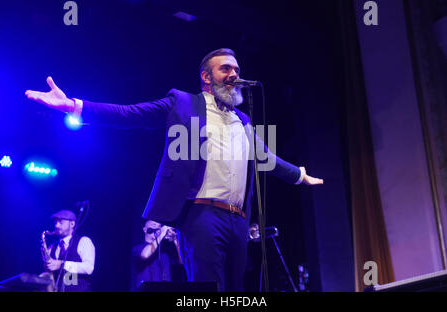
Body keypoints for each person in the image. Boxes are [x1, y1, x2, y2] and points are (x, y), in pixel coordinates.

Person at [25, 48, 323, 291]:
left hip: (238, 218)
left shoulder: (243, 120)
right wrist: (73, 107)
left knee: (236, 291)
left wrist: (299, 175)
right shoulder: (183, 103)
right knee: (209, 288)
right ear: (206, 77)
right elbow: (129, 114)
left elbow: (265, 156)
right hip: (202, 213)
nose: (234, 74)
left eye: (236, 70)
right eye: (225, 69)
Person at [46, 209, 95, 292]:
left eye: (61, 222)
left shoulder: (84, 241)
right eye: (55, 222)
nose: (57, 226)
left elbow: (89, 268)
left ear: (72, 224)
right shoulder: (51, 248)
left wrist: (62, 264)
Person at [131, 220, 185, 291]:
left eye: (159, 225)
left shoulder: (165, 251)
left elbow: (181, 262)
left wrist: (175, 239)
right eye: (153, 224)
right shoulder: (137, 248)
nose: (156, 225)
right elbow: (145, 255)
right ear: (144, 229)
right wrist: (162, 233)